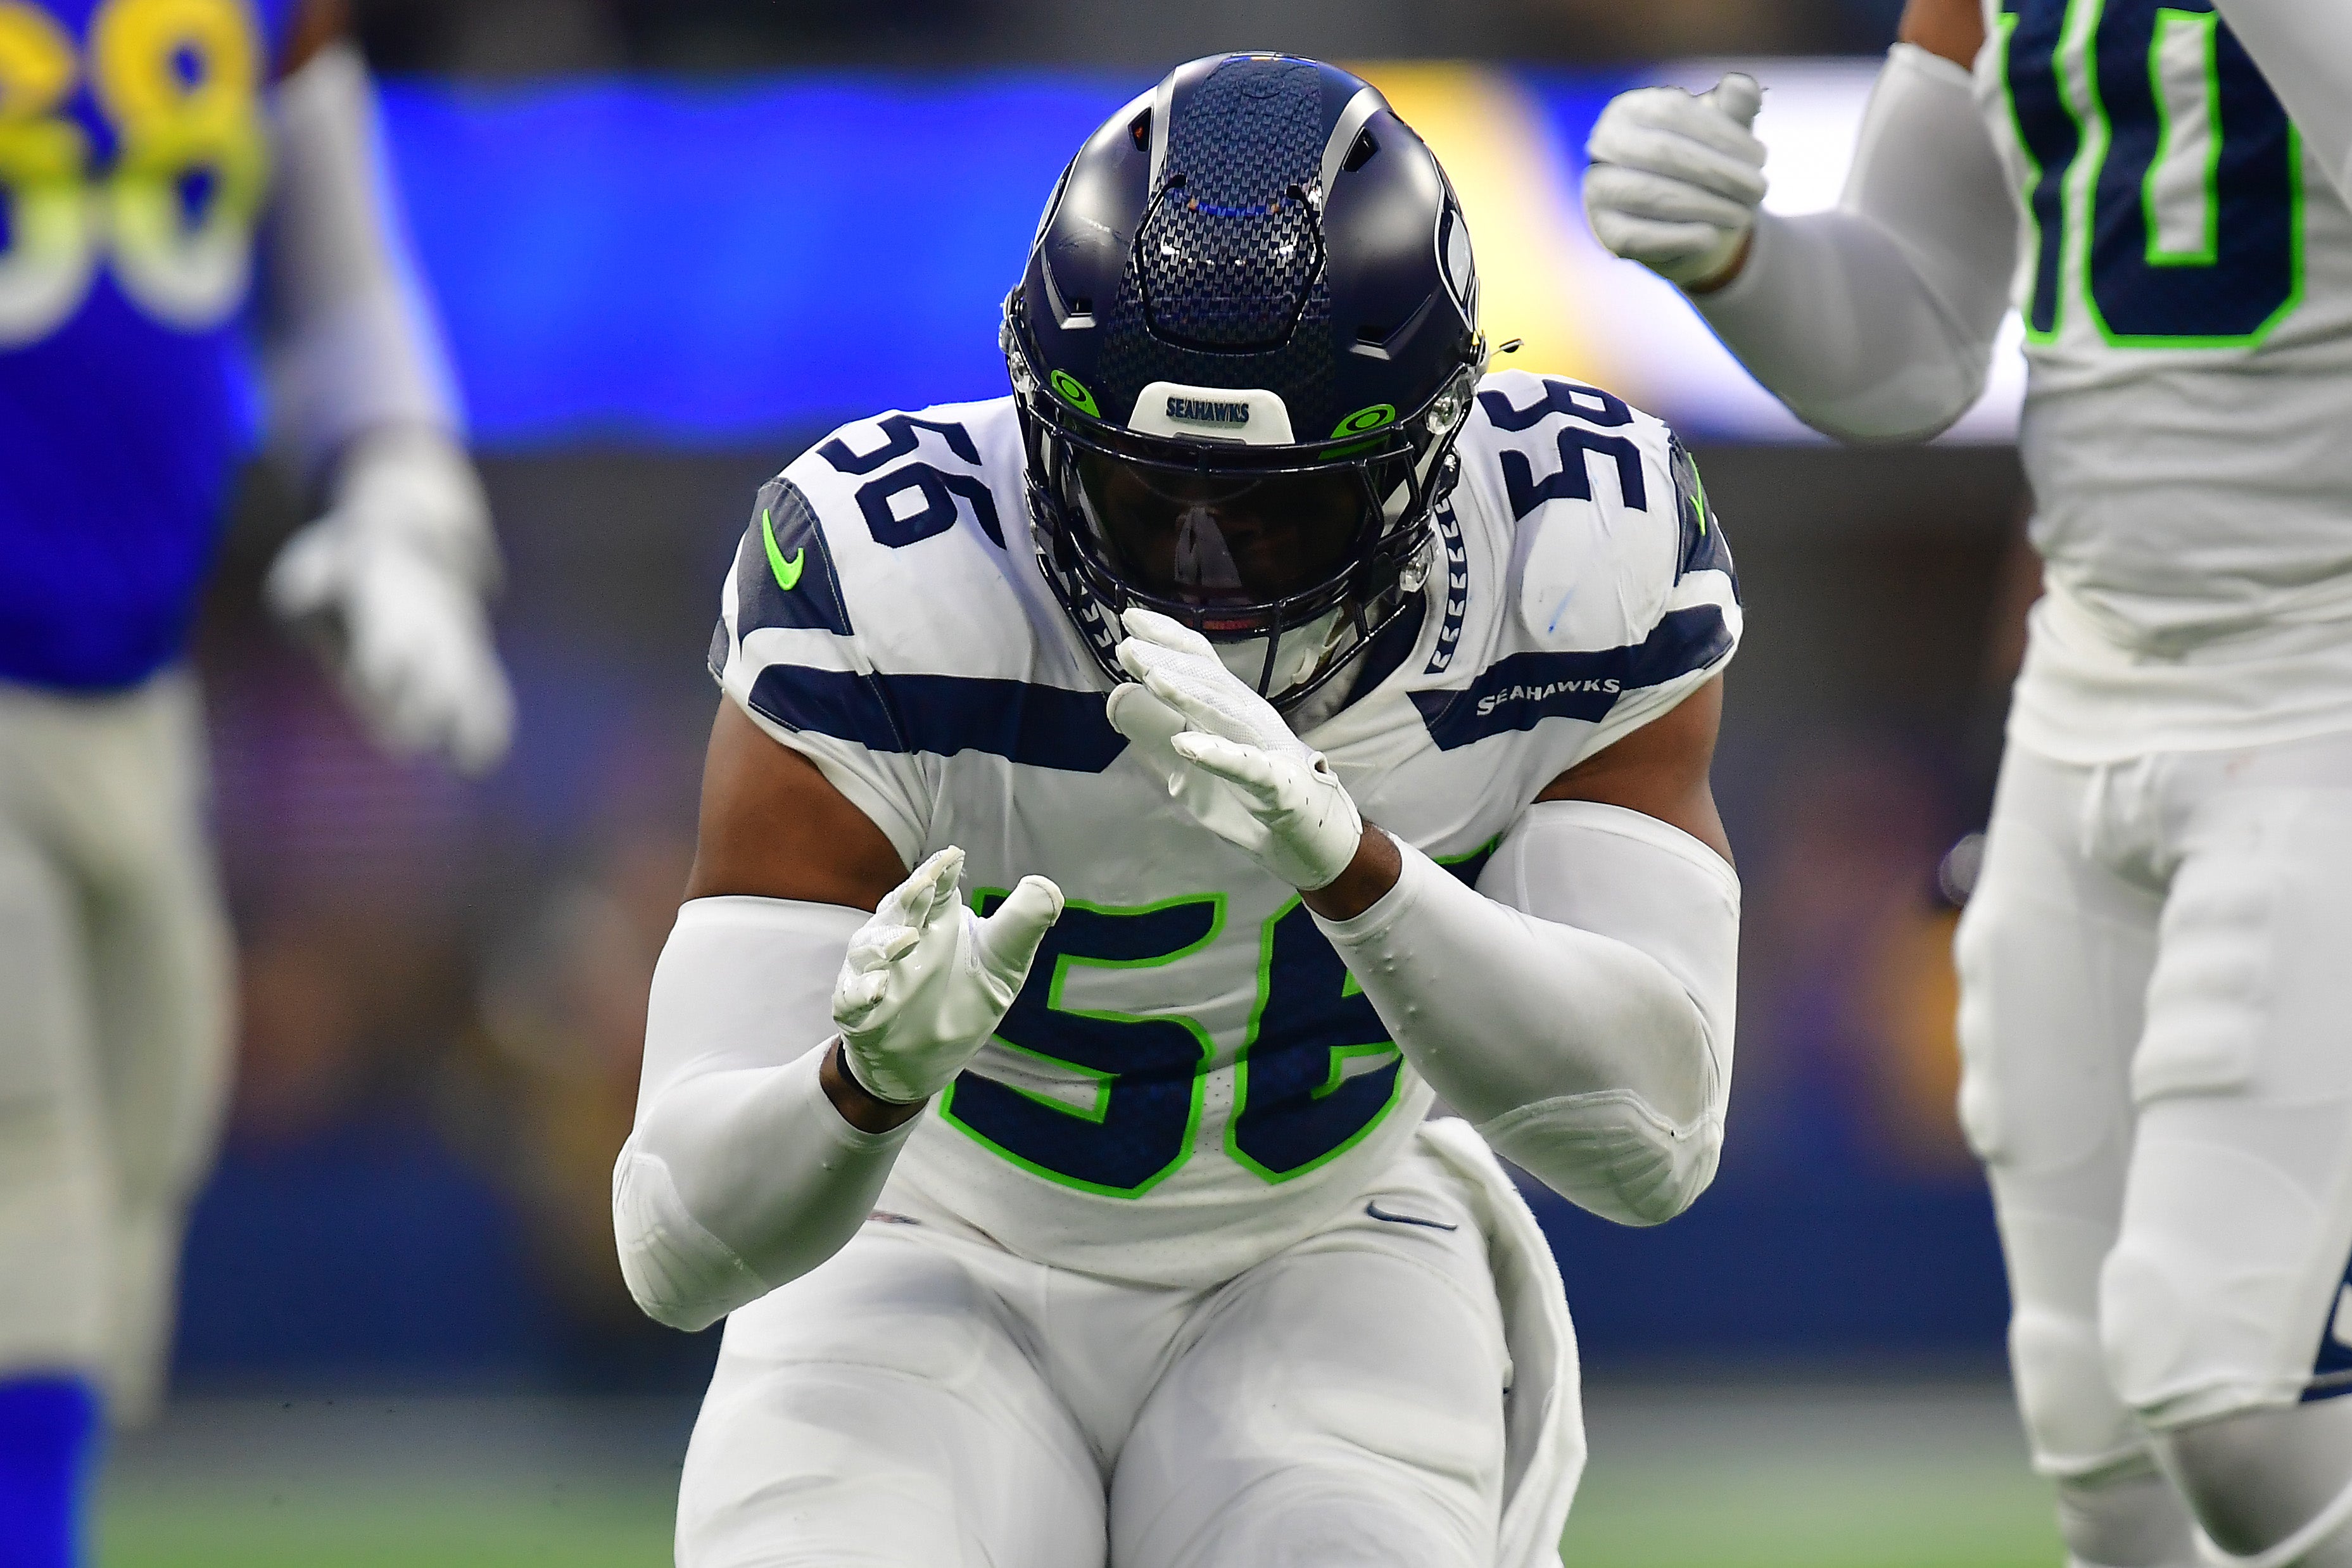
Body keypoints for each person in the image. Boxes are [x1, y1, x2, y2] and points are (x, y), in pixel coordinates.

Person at [614, 52, 1743, 1568]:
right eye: (1147, 499)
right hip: (923, 1241)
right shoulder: (893, 589)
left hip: (1327, 1242)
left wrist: (1356, 869)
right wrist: (861, 1085)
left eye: (1283, 511)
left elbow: (1653, 1138)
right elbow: (674, 1244)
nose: (1204, 580)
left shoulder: (1574, 553)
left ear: (1434, 449)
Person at [1583, 4, 2352, 1566]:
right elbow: (1924, 336)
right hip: (2093, 685)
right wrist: (1739, 256)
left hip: (2327, 683)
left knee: (2237, 1400)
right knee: (2102, 1445)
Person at [0, 1, 508, 1560]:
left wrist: (403, 512)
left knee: (133, 1160)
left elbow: (338, 289)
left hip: (131, 695)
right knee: (26, 1171)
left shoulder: (261, 21)